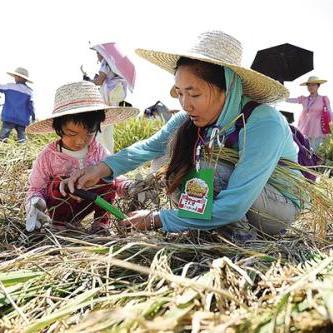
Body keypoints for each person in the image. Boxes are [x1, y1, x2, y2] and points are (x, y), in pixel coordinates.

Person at [61, 30, 301, 239]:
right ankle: (210, 228)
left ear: (226, 89)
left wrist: (159, 219)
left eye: (194, 95)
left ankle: (238, 236)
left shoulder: (263, 123)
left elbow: (235, 204)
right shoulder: (189, 120)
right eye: (180, 93)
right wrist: (100, 169)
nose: (185, 104)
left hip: (273, 209)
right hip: (230, 204)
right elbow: (147, 148)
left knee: (211, 168)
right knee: (174, 167)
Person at [25, 81, 139, 233]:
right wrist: (35, 202)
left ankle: (100, 225)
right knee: (60, 183)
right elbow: (36, 187)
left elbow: (113, 173)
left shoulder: (97, 151)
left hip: (89, 202)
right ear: (58, 128)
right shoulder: (49, 156)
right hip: (59, 208)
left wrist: (128, 187)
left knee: (106, 180)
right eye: (71, 133)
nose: (80, 141)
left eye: (89, 133)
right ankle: (58, 226)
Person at [82, 43, 136, 154]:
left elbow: (99, 81)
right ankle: (109, 156)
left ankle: (98, 156)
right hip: (113, 101)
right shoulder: (113, 65)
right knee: (108, 130)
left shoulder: (105, 63)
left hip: (105, 101)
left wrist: (88, 82)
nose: (97, 55)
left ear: (103, 53)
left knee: (99, 129)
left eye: (98, 53)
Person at [286, 76, 332, 150]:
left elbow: (330, 113)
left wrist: (331, 128)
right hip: (305, 129)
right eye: (309, 85)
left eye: (313, 85)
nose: (311, 87)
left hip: (318, 130)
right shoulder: (304, 99)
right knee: (306, 151)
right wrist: (281, 97)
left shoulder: (324, 98)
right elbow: (291, 100)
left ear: (318, 86)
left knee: (317, 152)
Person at [0, 67, 35, 143]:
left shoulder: (9, 86)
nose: (15, 77)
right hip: (22, 119)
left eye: (16, 76)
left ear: (19, 77)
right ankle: (23, 147)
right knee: (22, 136)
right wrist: (33, 118)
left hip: (9, 116)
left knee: (3, 136)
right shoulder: (29, 91)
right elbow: (31, 106)